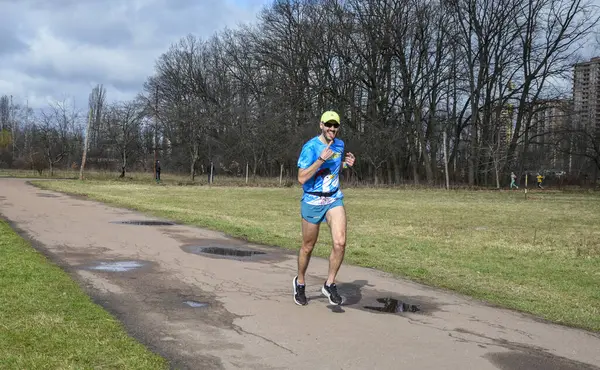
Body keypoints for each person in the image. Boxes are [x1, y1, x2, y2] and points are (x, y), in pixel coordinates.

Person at [293, 110, 356, 306]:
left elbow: (334, 169)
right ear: (321, 125)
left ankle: (329, 284)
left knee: (340, 243)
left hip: (333, 199)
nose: (332, 129)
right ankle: (300, 282)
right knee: (308, 247)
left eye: (335, 125)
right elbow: (301, 178)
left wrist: (346, 164)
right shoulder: (310, 147)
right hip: (312, 200)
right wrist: (320, 159)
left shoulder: (339, 144)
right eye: (328, 125)